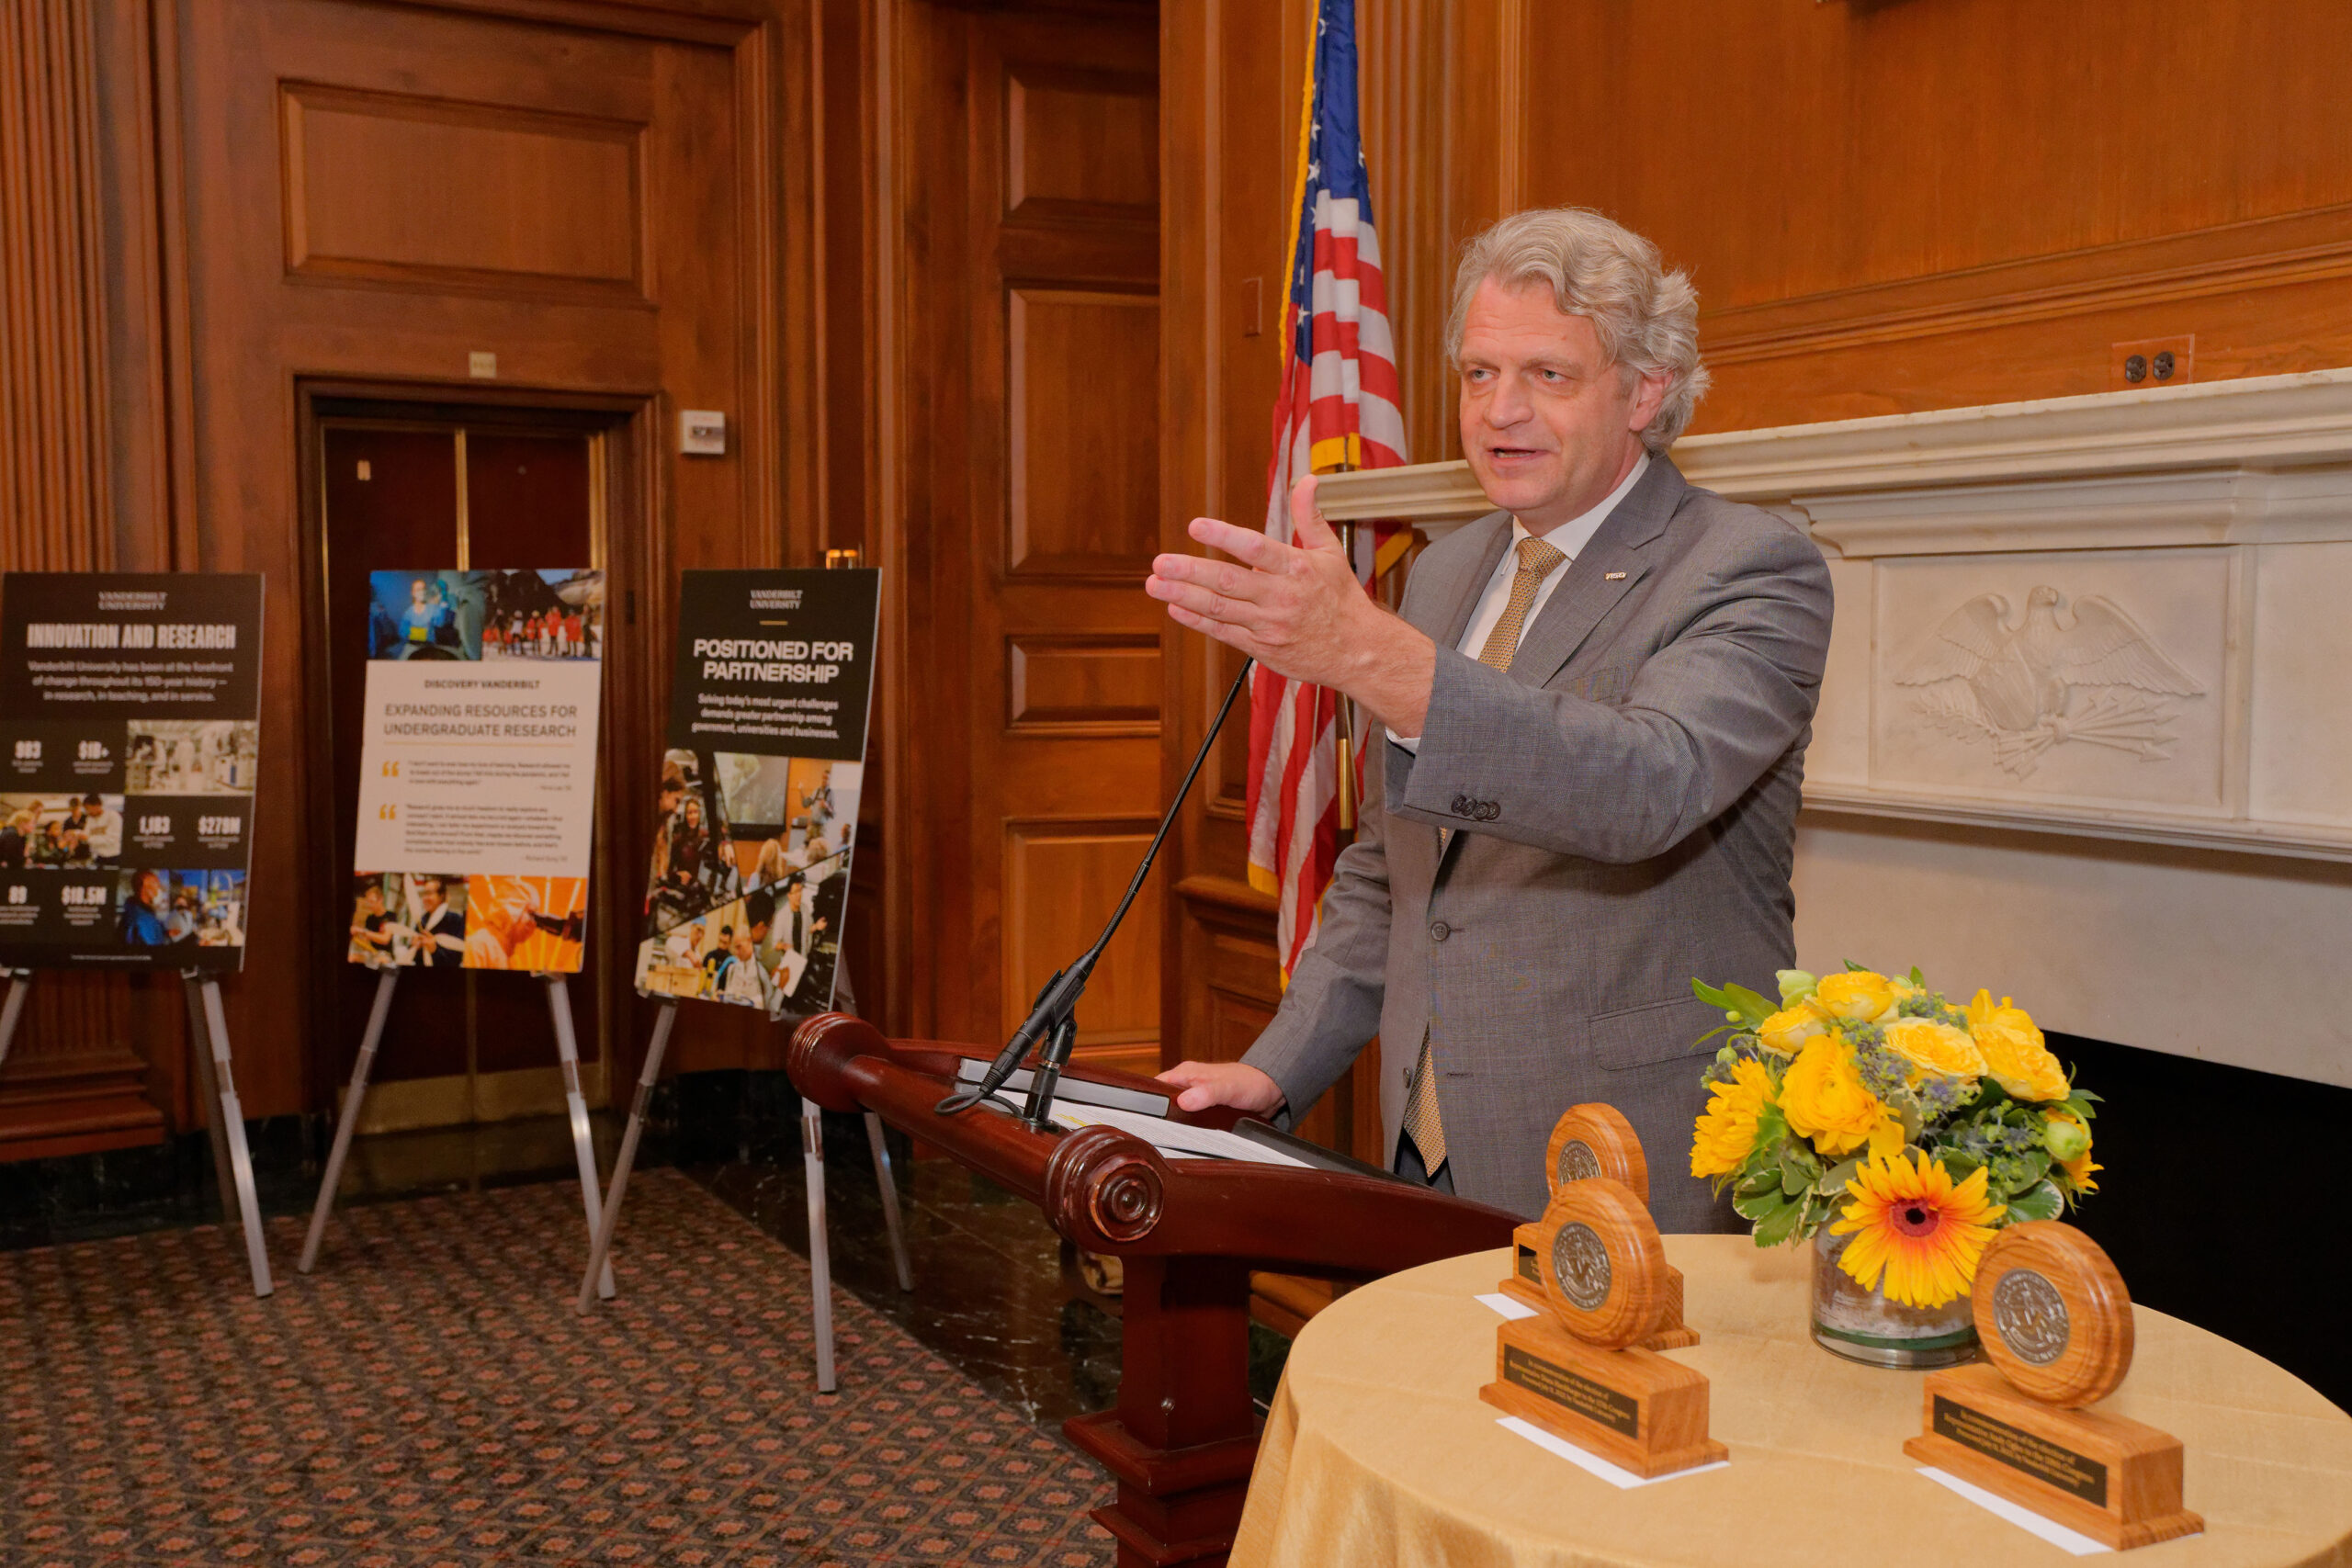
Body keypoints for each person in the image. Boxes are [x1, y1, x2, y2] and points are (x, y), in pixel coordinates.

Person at [1147, 209, 1833, 1231]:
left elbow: (1647, 787)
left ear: (1645, 392)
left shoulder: (1746, 566)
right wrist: (1276, 1068)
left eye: (1547, 376)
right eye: (1477, 374)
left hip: (1632, 1158)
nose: (1499, 411)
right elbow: (1396, 866)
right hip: (1427, 1143)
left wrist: (1371, 655)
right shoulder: (1445, 571)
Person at [406, 874, 466, 967]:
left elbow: (457, 959)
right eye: (424, 894)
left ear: (441, 896)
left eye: (429, 893)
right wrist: (414, 947)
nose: (425, 898)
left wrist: (434, 950)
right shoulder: (421, 921)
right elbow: (414, 958)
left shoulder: (455, 920)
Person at [347, 878, 397, 964]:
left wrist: (362, 931)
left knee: (380, 961)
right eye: (368, 902)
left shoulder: (390, 916)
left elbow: (385, 939)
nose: (370, 905)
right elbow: (367, 940)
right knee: (351, 957)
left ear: (381, 899)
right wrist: (355, 936)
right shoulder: (370, 918)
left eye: (372, 901)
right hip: (371, 953)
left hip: (385, 955)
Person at [120, 869, 172, 945]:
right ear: (146, 887)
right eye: (157, 885)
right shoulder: (143, 918)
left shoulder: (135, 909)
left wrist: (164, 932)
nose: (159, 890)